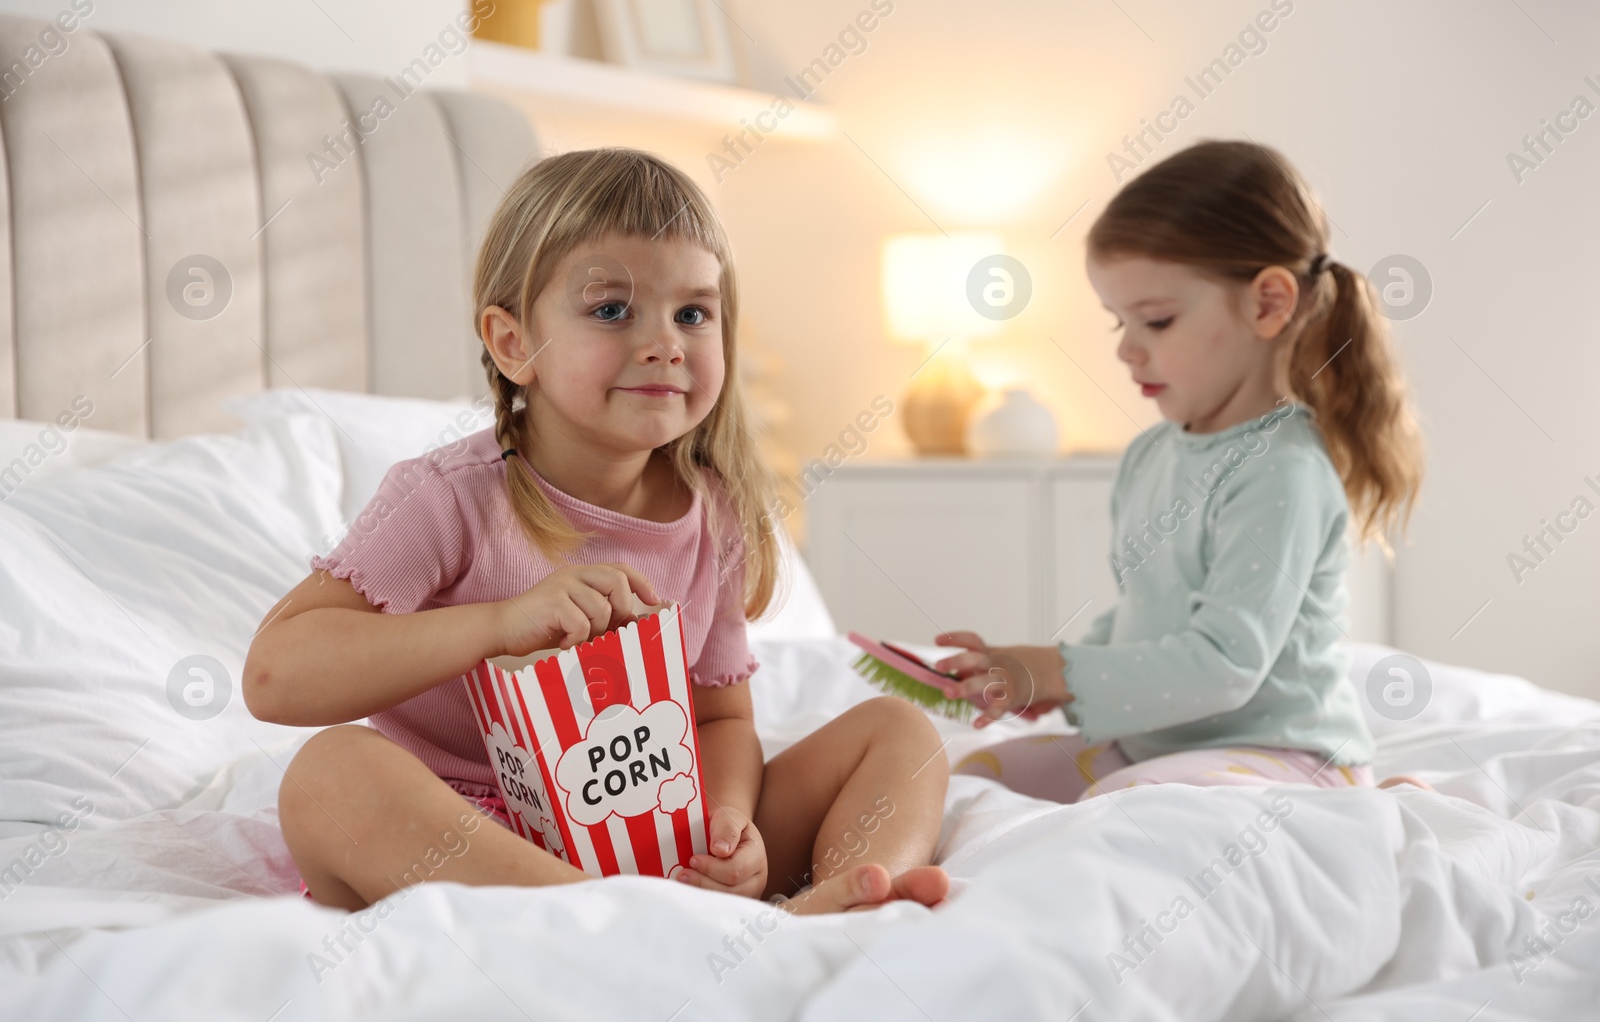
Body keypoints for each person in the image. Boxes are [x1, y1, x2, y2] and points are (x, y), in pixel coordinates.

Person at [245, 148, 950, 913]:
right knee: (328, 774)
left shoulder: (712, 509)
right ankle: (611, 920)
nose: (665, 343)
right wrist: (498, 625)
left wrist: (727, 822)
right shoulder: (449, 497)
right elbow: (275, 676)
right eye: (611, 309)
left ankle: (847, 907)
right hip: (477, 836)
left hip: (659, 840)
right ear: (514, 343)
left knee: (900, 730)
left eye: (692, 313)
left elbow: (717, 715)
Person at [942, 139, 1426, 800]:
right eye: (1119, 320)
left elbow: (1226, 664)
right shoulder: (1152, 454)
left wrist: (1061, 670)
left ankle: (1371, 798)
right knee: (971, 778)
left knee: (1126, 804)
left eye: (1156, 319)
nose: (1125, 347)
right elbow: (1143, 615)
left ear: (1268, 304)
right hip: (1158, 746)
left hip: (1280, 754)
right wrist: (1055, 686)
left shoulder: (1283, 472)